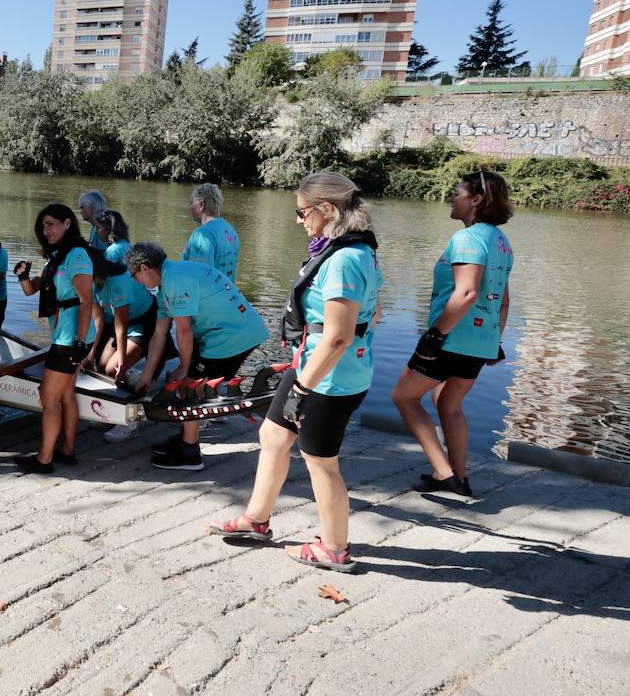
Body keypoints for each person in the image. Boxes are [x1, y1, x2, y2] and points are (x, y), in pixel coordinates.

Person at [207, 172, 381, 573]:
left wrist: (303, 385)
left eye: (302, 212)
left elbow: (338, 337)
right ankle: (256, 520)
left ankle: (334, 548)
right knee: (272, 434)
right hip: (315, 366)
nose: (298, 220)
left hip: (330, 378)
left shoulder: (344, 260)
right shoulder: (352, 250)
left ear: (327, 210)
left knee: (321, 461)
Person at [391, 170, 514, 500]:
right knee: (449, 403)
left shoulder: (468, 239)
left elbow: (467, 293)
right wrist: (494, 342)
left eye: (456, 192)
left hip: (451, 338)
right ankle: (460, 479)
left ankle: (444, 473)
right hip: (480, 341)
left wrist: (434, 336)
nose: (451, 197)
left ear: (476, 200)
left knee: (404, 396)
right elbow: (502, 300)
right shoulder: (501, 241)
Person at [125, 244, 269, 470]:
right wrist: (146, 375)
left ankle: (189, 454)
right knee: (188, 382)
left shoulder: (175, 281)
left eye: (134, 276)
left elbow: (184, 331)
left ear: (144, 268)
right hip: (234, 331)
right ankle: (186, 437)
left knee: (191, 384)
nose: (136, 282)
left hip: (232, 336)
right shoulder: (166, 284)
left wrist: (184, 367)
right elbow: (159, 335)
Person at [13, 204, 96, 474]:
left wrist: (80, 342)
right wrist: (23, 275)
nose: (45, 230)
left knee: (48, 398)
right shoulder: (55, 257)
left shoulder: (77, 255)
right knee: (66, 395)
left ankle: (44, 459)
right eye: (43, 226)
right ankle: (67, 450)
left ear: (68, 223)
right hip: (65, 335)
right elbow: (30, 290)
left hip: (70, 338)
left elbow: (86, 301)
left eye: (51, 224)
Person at [87, 255, 159, 442]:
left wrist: (121, 359)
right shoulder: (91, 283)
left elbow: (122, 324)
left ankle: (130, 422)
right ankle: (114, 408)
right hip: (121, 324)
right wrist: (91, 353)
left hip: (143, 322)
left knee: (113, 369)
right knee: (102, 368)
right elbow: (98, 322)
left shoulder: (118, 283)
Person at [182, 182, 241, 281]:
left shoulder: (202, 235)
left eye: (191, 203)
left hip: (207, 296)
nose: (190, 208)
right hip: (227, 295)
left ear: (201, 205)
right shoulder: (231, 232)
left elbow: (199, 278)